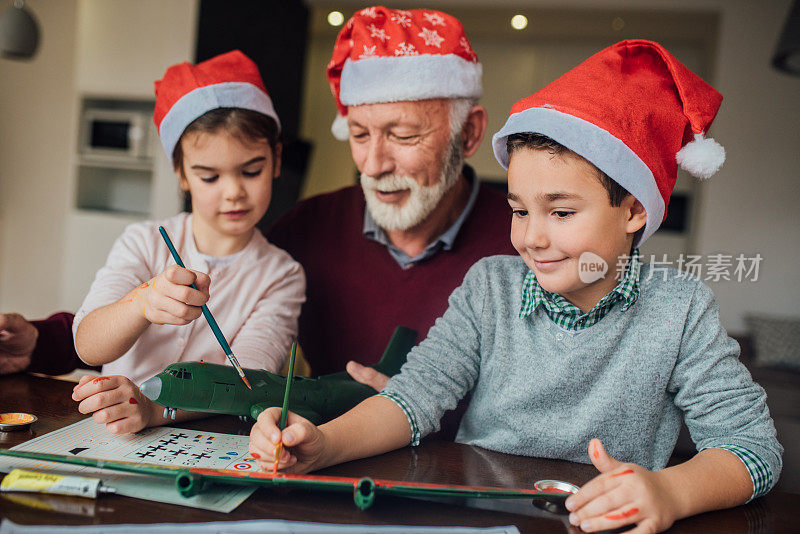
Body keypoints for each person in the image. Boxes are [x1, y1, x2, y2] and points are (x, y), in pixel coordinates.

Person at [248, 40, 782, 533]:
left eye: (562, 211)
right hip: (476, 519)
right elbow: (413, 399)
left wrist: (671, 490)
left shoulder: (680, 308)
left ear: (635, 210)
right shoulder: (490, 287)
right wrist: (325, 444)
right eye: (520, 210)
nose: (531, 236)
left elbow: (752, 449)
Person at [1, 7, 516, 408]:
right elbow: (127, 321)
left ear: (469, 133)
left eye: (403, 135)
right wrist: (42, 341)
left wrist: (421, 408)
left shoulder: (525, 248)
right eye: (359, 135)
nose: (374, 163)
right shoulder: (311, 227)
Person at [69, 50, 305, 434]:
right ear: (181, 173)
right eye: (209, 177)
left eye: (251, 170)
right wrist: (140, 302)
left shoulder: (281, 275)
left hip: (211, 441)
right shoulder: (144, 242)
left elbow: (247, 387)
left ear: (276, 159)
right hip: (111, 436)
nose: (233, 193)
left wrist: (154, 409)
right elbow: (89, 346)